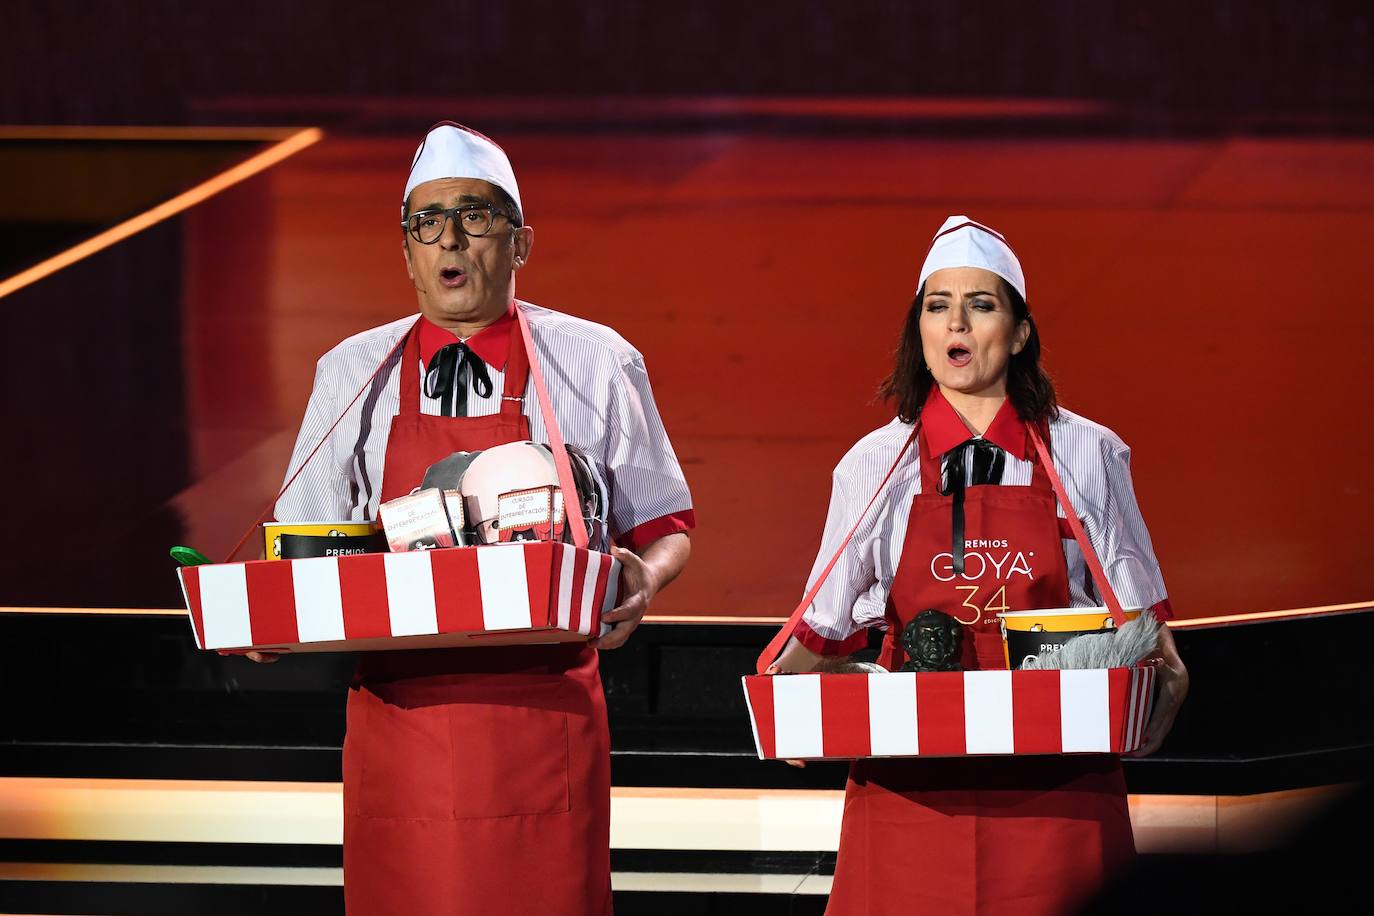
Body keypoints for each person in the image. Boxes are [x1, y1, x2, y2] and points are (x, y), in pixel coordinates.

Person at [266, 122, 695, 915]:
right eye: (426, 222)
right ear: (406, 250)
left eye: (476, 216)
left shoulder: (597, 360)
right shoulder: (351, 373)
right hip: (402, 730)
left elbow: (665, 527)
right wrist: (269, 619)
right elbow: (301, 546)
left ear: (521, 242)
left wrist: (644, 580)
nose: (450, 240)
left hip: (544, 725)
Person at [767, 215, 1188, 915]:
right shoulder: (874, 466)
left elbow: (1152, 645)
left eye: (981, 304)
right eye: (938, 306)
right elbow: (816, 633)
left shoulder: (1090, 455)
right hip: (911, 798)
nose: (956, 322)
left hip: (1059, 797)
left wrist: (1141, 708)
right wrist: (785, 711)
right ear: (920, 331)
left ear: (1020, 333)